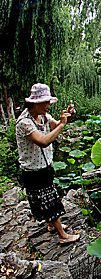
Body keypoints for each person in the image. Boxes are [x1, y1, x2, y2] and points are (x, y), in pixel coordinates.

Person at [15, 83, 80, 244]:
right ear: (35, 103)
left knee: (47, 198)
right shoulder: (25, 122)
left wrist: (67, 118)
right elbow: (43, 141)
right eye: (46, 102)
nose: (48, 106)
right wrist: (63, 124)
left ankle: (52, 225)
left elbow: (56, 126)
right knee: (49, 201)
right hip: (33, 170)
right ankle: (63, 236)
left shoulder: (43, 117)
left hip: (45, 166)